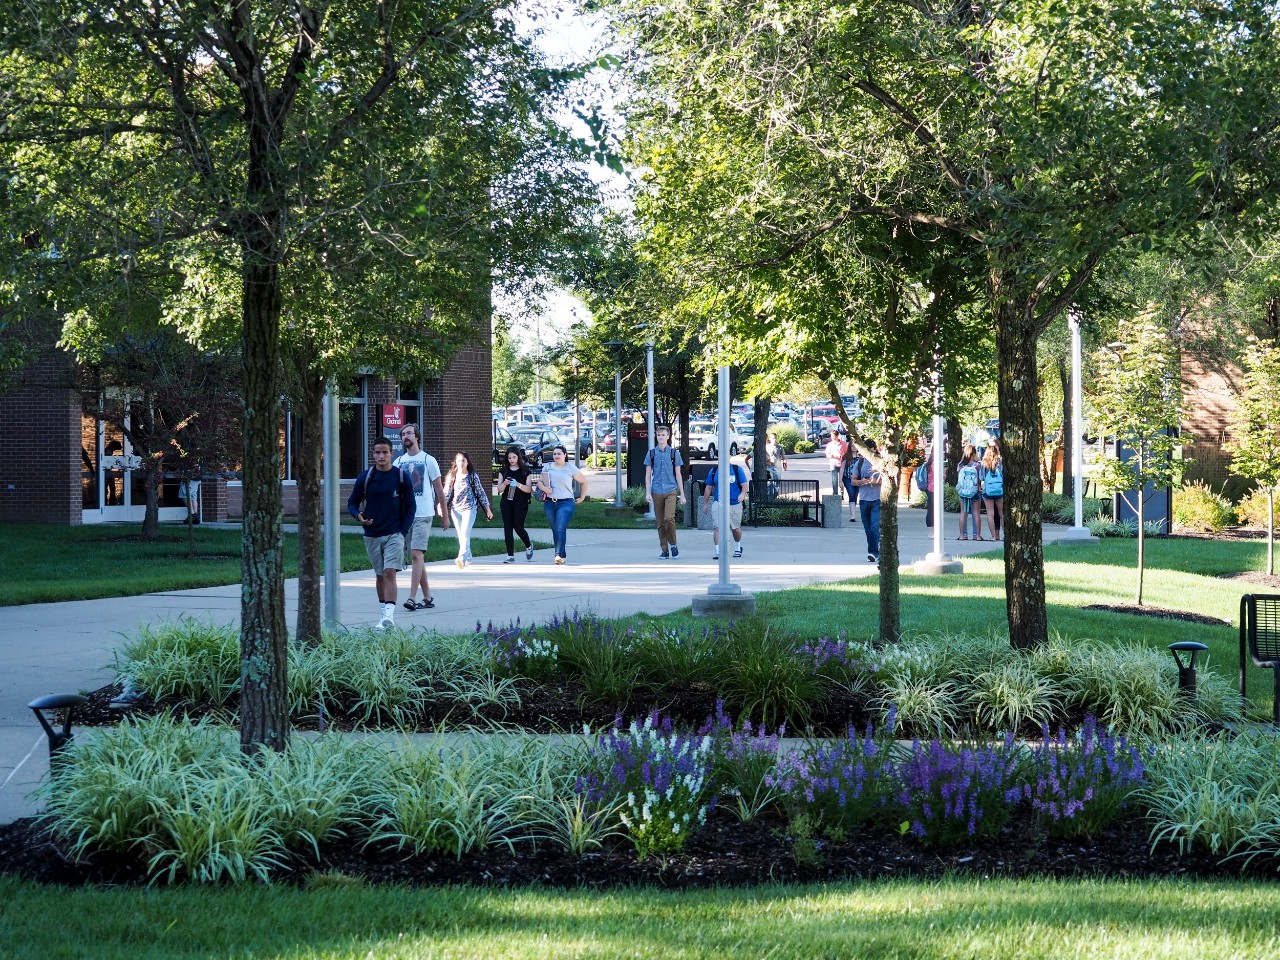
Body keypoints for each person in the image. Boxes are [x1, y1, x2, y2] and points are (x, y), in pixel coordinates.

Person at [347, 437, 416, 630]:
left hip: (394, 533)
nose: (381, 456)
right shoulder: (366, 477)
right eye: (377, 452)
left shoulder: (401, 477)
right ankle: (383, 614)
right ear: (373, 454)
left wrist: (402, 532)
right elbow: (352, 503)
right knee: (379, 576)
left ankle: (389, 617)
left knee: (389, 572)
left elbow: (411, 507)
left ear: (392, 453)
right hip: (372, 534)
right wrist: (358, 515)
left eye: (385, 452)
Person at [394, 424, 448, 610]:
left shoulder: (428, 460)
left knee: (416, 554)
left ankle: (411, 597)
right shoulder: (398, 462)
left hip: (424, 513)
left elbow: (439, 489)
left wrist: (445, 515)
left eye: (409, 433)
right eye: (403, 434)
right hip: (405, 515)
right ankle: (427, 597)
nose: (406, 436)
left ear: (417, 436)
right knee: (417, 557)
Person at [535, 445, 588, 564]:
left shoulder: (571, 468)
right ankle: (561, 555)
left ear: (565, 455)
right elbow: (540, 482)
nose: (556, 456)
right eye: (554, 454)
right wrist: (545, 488)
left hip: (566, 503)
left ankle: (558, 555)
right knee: (555, 529)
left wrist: (582, 497)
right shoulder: (547, 467)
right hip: (549, 503)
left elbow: (584, 482)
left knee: (560, 527)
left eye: (559, 454)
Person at [443, 451, 492, 569]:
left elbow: (480, 492)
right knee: (461, 535)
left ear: (467, 462)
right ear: (455, 462)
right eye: (459, 460)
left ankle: (461, 559)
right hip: (455, 509)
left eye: (463, 460)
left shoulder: (472, 476)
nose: (461, 463)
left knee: (465, 533)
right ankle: (468, 557)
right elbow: (446, 493)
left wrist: (488, 509)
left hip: (469, 508)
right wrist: (441, 506)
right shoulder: (451, 475)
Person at [644, 424, 686, 559]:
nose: (661, 437)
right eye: (659, 435)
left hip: (670, 489)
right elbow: (648, 474)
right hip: (656, 490)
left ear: (668, 436)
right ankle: (664, 550)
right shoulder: (651, 453)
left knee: (669, 518)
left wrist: (682, 494)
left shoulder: (674, 453)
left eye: (663, 435)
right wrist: (648, 492)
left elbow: (678, 474)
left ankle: (673, 544)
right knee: (660, 522)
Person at [702, 458, 749, 559]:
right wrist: (705, 504)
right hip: (718, 502)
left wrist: (742, 494)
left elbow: (745, 485)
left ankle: (737, 547)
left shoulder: (736, 469)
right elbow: (708, 488)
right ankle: (718, 551)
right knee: (717, 527)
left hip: (734, 503)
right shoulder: (714, 470)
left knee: (735, 529)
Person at [496, 445, 535, 563]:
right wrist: (505, 484)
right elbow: (499, 489)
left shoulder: (525, 471)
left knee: (518, 527)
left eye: (514, 457)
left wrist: (518, 484)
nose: (512, 460)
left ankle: (528, 545)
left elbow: (529, 489)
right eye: (509, 458)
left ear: (518, 457)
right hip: (506, 502)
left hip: (521, 502)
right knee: (507, 527)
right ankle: (510, 555)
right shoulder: (503, 471)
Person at [848, 440, 882, 563]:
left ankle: (874, 552)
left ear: (874, 449)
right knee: (868, 529)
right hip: (863, 500)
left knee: (874, 526)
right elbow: (853, 481)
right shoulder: (860, 462)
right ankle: (873, 551)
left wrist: (875, 481)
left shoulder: (880, 462)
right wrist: (862, 481)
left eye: (870, 449)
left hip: (877, 500)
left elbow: (889, 481)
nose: (868, 452)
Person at [956, 444, 982, 540]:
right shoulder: (977, 465)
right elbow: (980, 478)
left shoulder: (961, 465)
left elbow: (959, 478)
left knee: (963, 513)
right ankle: (977, 535)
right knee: (976, 513)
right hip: (975, 491)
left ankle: (962, 535)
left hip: (963, 492)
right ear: (974, 453)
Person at [981, 438, 1005, 541]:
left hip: (988, 491)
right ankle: (1005, 535)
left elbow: (981, 477)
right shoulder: (1000, 461)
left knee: (990, 514)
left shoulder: (984, 462)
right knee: (1002, 514)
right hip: (999, 490)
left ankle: (993, 536)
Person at [824, 428, 848, 498]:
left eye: (834, 436)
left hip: (842, 463)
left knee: (841, 479)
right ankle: (835, 493)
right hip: (833, 463)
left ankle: (842, 493)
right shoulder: (830, 444)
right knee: (834, 480)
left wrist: (844, 458)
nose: (833, 438)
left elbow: (846, 453)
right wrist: (830, 455)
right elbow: (827, 454)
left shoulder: (843, 444)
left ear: (837, 436)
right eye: (832, 436)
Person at [763, 432, 787, 498]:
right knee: (770, 483)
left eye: (775, 438)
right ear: (770, 439)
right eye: (773, 438)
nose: (775, 439)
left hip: (777, 467)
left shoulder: (779, 447)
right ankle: (770, 497)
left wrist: (785, 464)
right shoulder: (766, 447)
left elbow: (783, 457)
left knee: (777, 482)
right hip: (769, 467)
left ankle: (775, 497)